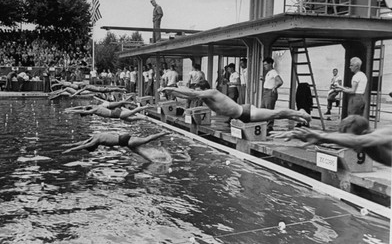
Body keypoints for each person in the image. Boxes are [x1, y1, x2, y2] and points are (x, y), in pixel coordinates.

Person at [159, 80, 311, 125]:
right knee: (276, 116)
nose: (197, 92)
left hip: (246, 112)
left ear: (203, 88)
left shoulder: (212, 92)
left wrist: (168, 87)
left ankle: (300, 113)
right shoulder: (204, 97)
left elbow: (191, 93)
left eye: (199, 89)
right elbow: (188, 95)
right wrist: (171, 91)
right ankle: (297, 117)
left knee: (277, 114)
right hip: (241, 115)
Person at [271, 115, 391, 167]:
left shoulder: (384, 134)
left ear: (364, 133)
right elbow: (345, 140)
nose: (352, 149)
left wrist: (322, 136)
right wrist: (302, 135)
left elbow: (356, 141)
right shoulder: (366, 142)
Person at [62, 131, 170, 163]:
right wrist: (68, 146)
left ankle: (164, 133)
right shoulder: (95, 136)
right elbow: (81, 143)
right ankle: (155, 160)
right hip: (124, 139)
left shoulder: (95, 141)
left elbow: (83, 145)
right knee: (140, 153)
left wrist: (70, 150)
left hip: (126, 141)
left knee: (148, 139)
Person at [64, 103, 153, 122]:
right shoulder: (95, 106)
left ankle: (146, 106)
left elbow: (82, 110)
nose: (89, 115)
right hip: (115, 113)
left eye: (87, 114)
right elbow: (82, 107)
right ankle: (143, 118)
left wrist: (72, 112)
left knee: (133, 112)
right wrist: (70, 109)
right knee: (129, 119)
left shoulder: (94, 110)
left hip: (115, 113)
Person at [261, 57, 283, 133]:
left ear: (270, 64)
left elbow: (280, 81)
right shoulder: (269, 73)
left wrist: (275, 87)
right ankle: (264, 125)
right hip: (265, 92)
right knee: (263, 109)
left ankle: (269, 126)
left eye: (266, 64)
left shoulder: (274, 72)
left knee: (269, 110)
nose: (264, 66)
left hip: (270, 93)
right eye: (264, 65)